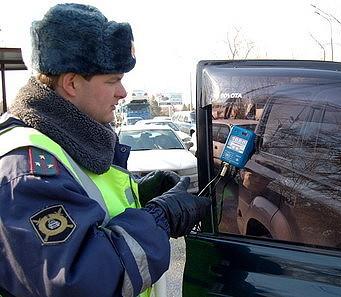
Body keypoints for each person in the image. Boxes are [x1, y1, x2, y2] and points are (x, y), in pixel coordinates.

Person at [0, 3, 210, 297]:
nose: (122, 92)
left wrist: (142, 196)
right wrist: (159, 219)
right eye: (113, 80)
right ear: (72, 83)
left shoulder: (66, 142)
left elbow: (90, 207)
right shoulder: (27, 168)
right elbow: (80, 282)